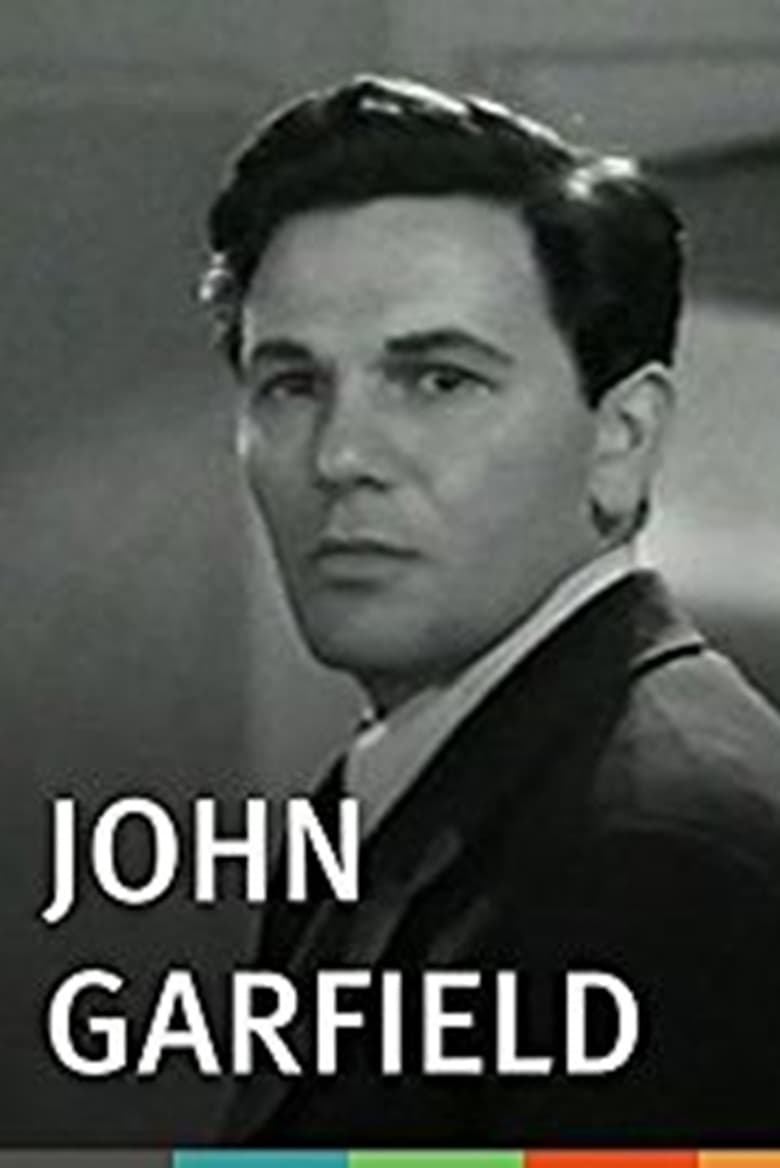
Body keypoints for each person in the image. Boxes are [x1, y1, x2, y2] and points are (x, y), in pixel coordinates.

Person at [200, 74, 780, 1144]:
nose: (341, 456)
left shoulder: (661, 855)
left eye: (439, 381)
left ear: (622, 438)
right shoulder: (407, 791)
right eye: (292, 384)